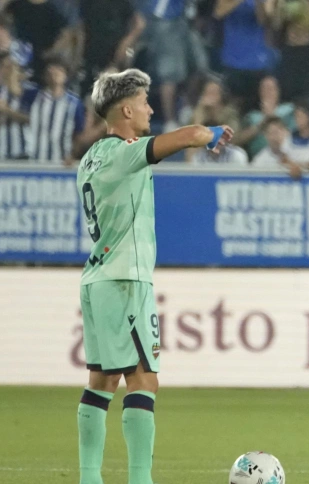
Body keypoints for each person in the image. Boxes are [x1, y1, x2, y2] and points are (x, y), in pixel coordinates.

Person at [75, 68, 233, 484]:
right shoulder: (123, 151)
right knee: (144, 380)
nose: (149, 109)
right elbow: (188, 136)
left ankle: (89, 477)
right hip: (126, 279)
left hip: (97, 278)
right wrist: (211, 133)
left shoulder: (89, 158)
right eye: (144, 103)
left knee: (102, 380)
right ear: (125, 110)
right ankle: (140, 480)